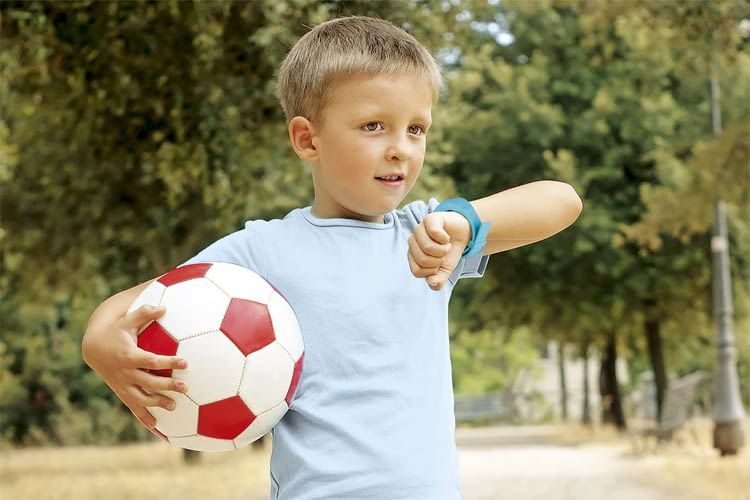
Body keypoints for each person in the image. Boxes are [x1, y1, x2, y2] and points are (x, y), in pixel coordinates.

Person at [81, 15, 583, 499]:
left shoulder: (426, 236)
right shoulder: (261, 250)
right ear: (307, 139)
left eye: (416, 129)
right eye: (373, 126)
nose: (401, 149)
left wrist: (462, 222)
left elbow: (561, 201)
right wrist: (99, 342)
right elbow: (127, 308)